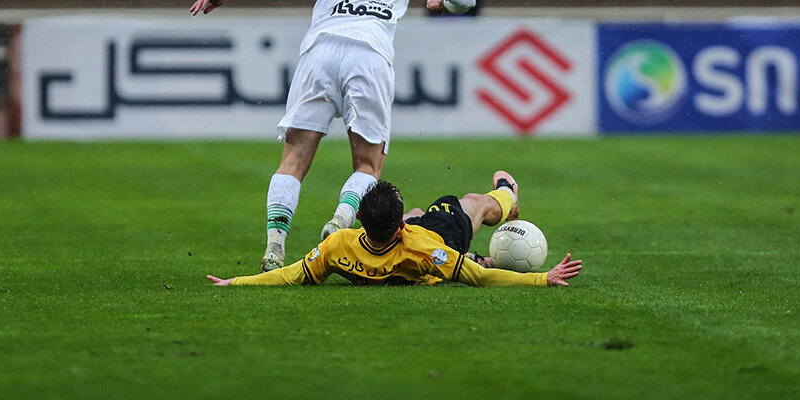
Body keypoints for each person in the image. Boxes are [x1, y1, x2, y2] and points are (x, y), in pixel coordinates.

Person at [189, 0, 477, 272]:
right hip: (371, 55)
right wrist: (442, 4)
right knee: (368, 164)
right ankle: (340, 221)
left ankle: (275, 244)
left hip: (320, 50)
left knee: (292, 160)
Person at [207, 171, 582, 287]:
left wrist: (234, 282)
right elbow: (480, 278)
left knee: (421, 208)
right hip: (440, 238)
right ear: (399, 224)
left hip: (409, 242)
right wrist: (541, 279)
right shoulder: (423, 250)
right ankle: (506, 194)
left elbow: (290, 276)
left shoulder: (339, 245)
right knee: (473, 204)